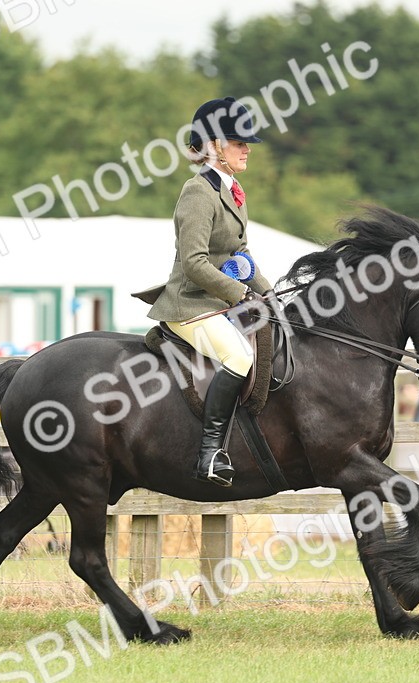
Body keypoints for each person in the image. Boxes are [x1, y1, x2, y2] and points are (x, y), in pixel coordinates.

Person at [132, 97, 272, 487]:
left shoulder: (231, 189)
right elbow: (194, 262)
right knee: (239, 356)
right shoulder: (198, 192)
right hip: (190, 304)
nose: (246, 148)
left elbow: (239, 253)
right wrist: (240, 295)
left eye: (246, 142)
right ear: (213, 146)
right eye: (237, 141)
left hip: (218, 302)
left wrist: (271, 294)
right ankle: (210, 454)